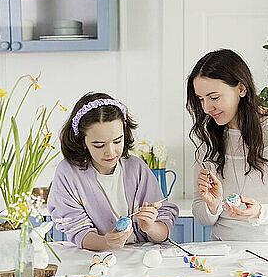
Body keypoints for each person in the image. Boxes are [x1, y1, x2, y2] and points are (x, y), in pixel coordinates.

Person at [186, 49, 268, 241]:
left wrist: (261, 212)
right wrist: (212, 206)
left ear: (241, 89)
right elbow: (202, 215)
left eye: (214, 97)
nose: (206, 108)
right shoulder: (208, 137)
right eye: (201, 99)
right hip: (223, 251)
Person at [48, 92, 178, 250]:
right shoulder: (68, 173)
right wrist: (106, 243)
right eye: (99, 145)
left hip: (140, 259)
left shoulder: (136, 168)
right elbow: (77, 229)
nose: (110, 152)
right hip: (96, 260)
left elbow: (163, 231)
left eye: (117, 141)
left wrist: (149, 226)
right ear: (82, 141)